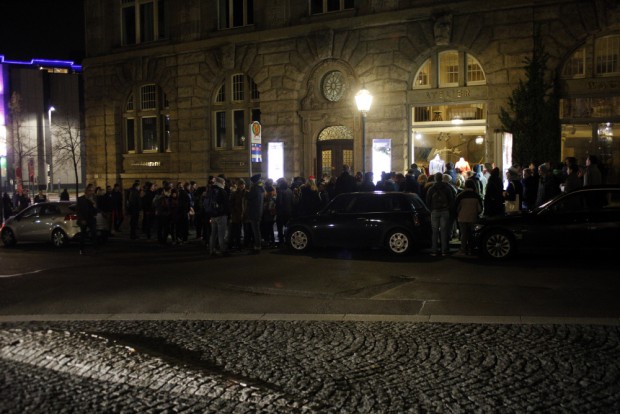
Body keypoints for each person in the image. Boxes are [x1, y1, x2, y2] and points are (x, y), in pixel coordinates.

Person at [425, 172, 455, 256]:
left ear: (435, 178)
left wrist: (431, 209)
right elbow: (451, 199)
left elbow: (428, 200)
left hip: (434, 211)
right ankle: (444, 250)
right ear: (442, 178)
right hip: (445, 211)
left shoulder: (431, 188)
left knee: (434, 231)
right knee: (444, 231)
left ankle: (434, 250)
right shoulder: (447, 188)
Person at [454, 180, 482, 256]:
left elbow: (456, 208)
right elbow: (480, 209)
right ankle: (470, 249)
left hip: (462, 218)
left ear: (465, 185)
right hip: (473, 218)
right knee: (471, 234)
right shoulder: (476, 195)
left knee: (463, 234)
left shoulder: (460, 195)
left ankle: (463, 249)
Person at [207, 176, 230, 256]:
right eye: (223, 183)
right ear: (220, 183)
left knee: (213, 234)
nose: (224, 184)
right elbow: (226, 204)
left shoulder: (210, 190)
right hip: (221, 215)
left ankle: (211, 249)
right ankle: (223, 250)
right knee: (221, 234)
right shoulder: (222, 191)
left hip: (212, 215)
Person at [76, 184, 98, 255]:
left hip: (91, 219)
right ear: (86, 191)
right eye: (90, 191)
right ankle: (81, 249)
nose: (91, 192)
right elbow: (78, 211)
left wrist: (94, 204)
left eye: (92, 191)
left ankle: (95, 249)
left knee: (94, 233)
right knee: (83, 235)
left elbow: (96, 211)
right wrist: (81, 219)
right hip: (84, 219)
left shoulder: (94, 199)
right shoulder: (80, 199)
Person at [247, 174, 265, 253]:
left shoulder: (255, 188)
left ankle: (257, 246)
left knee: (256, 230)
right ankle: (258, 245)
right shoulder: (261, 188)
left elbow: (249, 197)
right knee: (257, 229)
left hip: (254, 212)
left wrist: (246, 192)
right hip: (258, 211)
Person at [275, 178, 293, 245]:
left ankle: (281, 241)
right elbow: (292, 202)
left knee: (280, 228)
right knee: (287, 227)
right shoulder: (290, 190)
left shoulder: (280, 191)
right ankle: (288, 240)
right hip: (289, 212)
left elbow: (279, 202)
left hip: (281, 213)